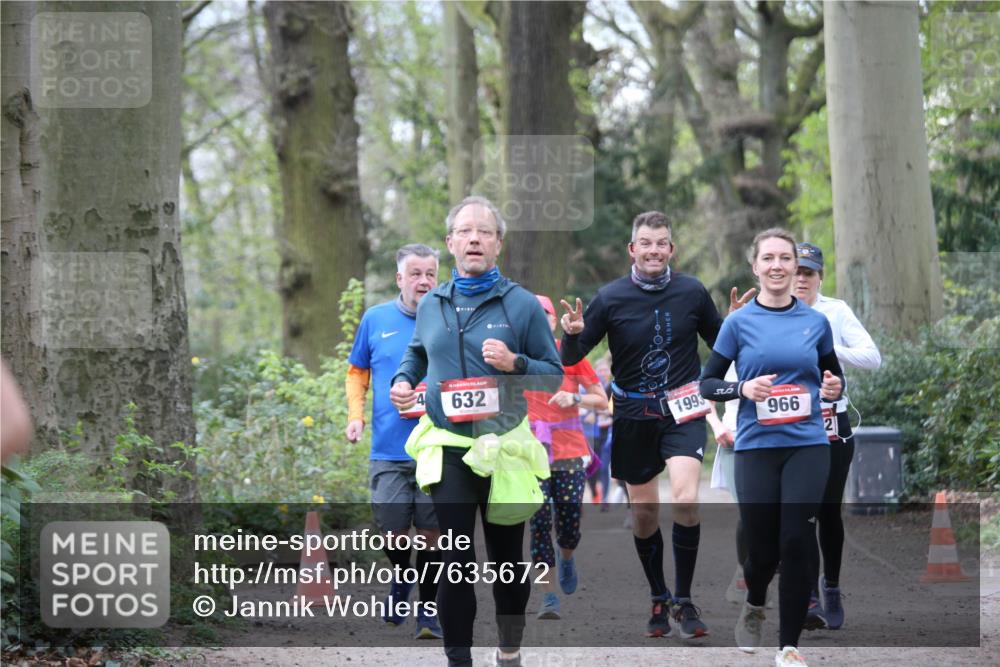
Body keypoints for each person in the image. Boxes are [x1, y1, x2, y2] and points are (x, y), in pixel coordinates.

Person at [559, 210, 755, 640]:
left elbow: (722, 346)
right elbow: (571, 358)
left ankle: (684, 600)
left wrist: (737, 325)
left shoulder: (692, 291)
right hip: (633, 415)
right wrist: (572, 335)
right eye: (646, 243)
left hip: (683, 410)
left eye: (661, 243)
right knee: (645, 512)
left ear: (671, 249)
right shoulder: (610, 297)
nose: (654, 250)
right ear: (633, 249)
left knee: (685, 499)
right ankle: (658, 595)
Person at [390, 196, 562, 667]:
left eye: (484, 232)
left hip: (503, 446)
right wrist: (403, 380)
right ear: (450, 242)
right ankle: (459, 659)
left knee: (507, 563)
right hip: (449, 446)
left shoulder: (521, 304)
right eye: (465, 231)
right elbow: (417, 352)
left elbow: (552, 375)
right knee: (456, 559)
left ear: (498, 244)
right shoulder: (433, 303)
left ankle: (508, 650)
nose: (474, 239)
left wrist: (515, 363)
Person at [699, 228, 845, 667]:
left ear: (795, 267)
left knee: (797, 538)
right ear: (756, 267)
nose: (778, 266)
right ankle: (755, 600)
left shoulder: (815, 322)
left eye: (785, 258)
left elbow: (833, 377)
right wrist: (742, 388)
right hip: (757, 447)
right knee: (762, 550)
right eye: (769, 258)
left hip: (808, 444)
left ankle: (788, 645)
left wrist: (834, 388)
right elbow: (708, 383)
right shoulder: (738, 323)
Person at [346, 243, 443, 640]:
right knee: (392, 531)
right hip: (388, 449)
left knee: (433, 535)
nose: (424, 281)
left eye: (430, 274)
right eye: (415, 274)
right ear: (399, 278)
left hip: (437, 447)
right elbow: (357, 372)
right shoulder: (376, 318)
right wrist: (356, 416)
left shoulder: (449, 318)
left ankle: (428, 611)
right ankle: (403, 576)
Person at [794, 242, 881, 630]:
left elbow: (872, 357)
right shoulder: (774, 312)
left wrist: (831, 348)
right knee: (802, 510)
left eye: (808, 273)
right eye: (797, 271)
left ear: (820, 277)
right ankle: (808, 594)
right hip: (793, 424)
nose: (801, 279)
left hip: (833, 423)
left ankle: (831, 586)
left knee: (828, 511)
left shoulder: (836, 311)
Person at [525, 294, 608, 620]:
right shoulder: (514, 358)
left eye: (543, 313)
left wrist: (574, 398)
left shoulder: (570, 354)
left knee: (569, 519)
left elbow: (601, 400)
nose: (537, 318)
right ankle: (548, 596)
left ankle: (568, 556)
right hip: (530, 452)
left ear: (552, 320)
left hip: (569, 449)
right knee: (539, 522)